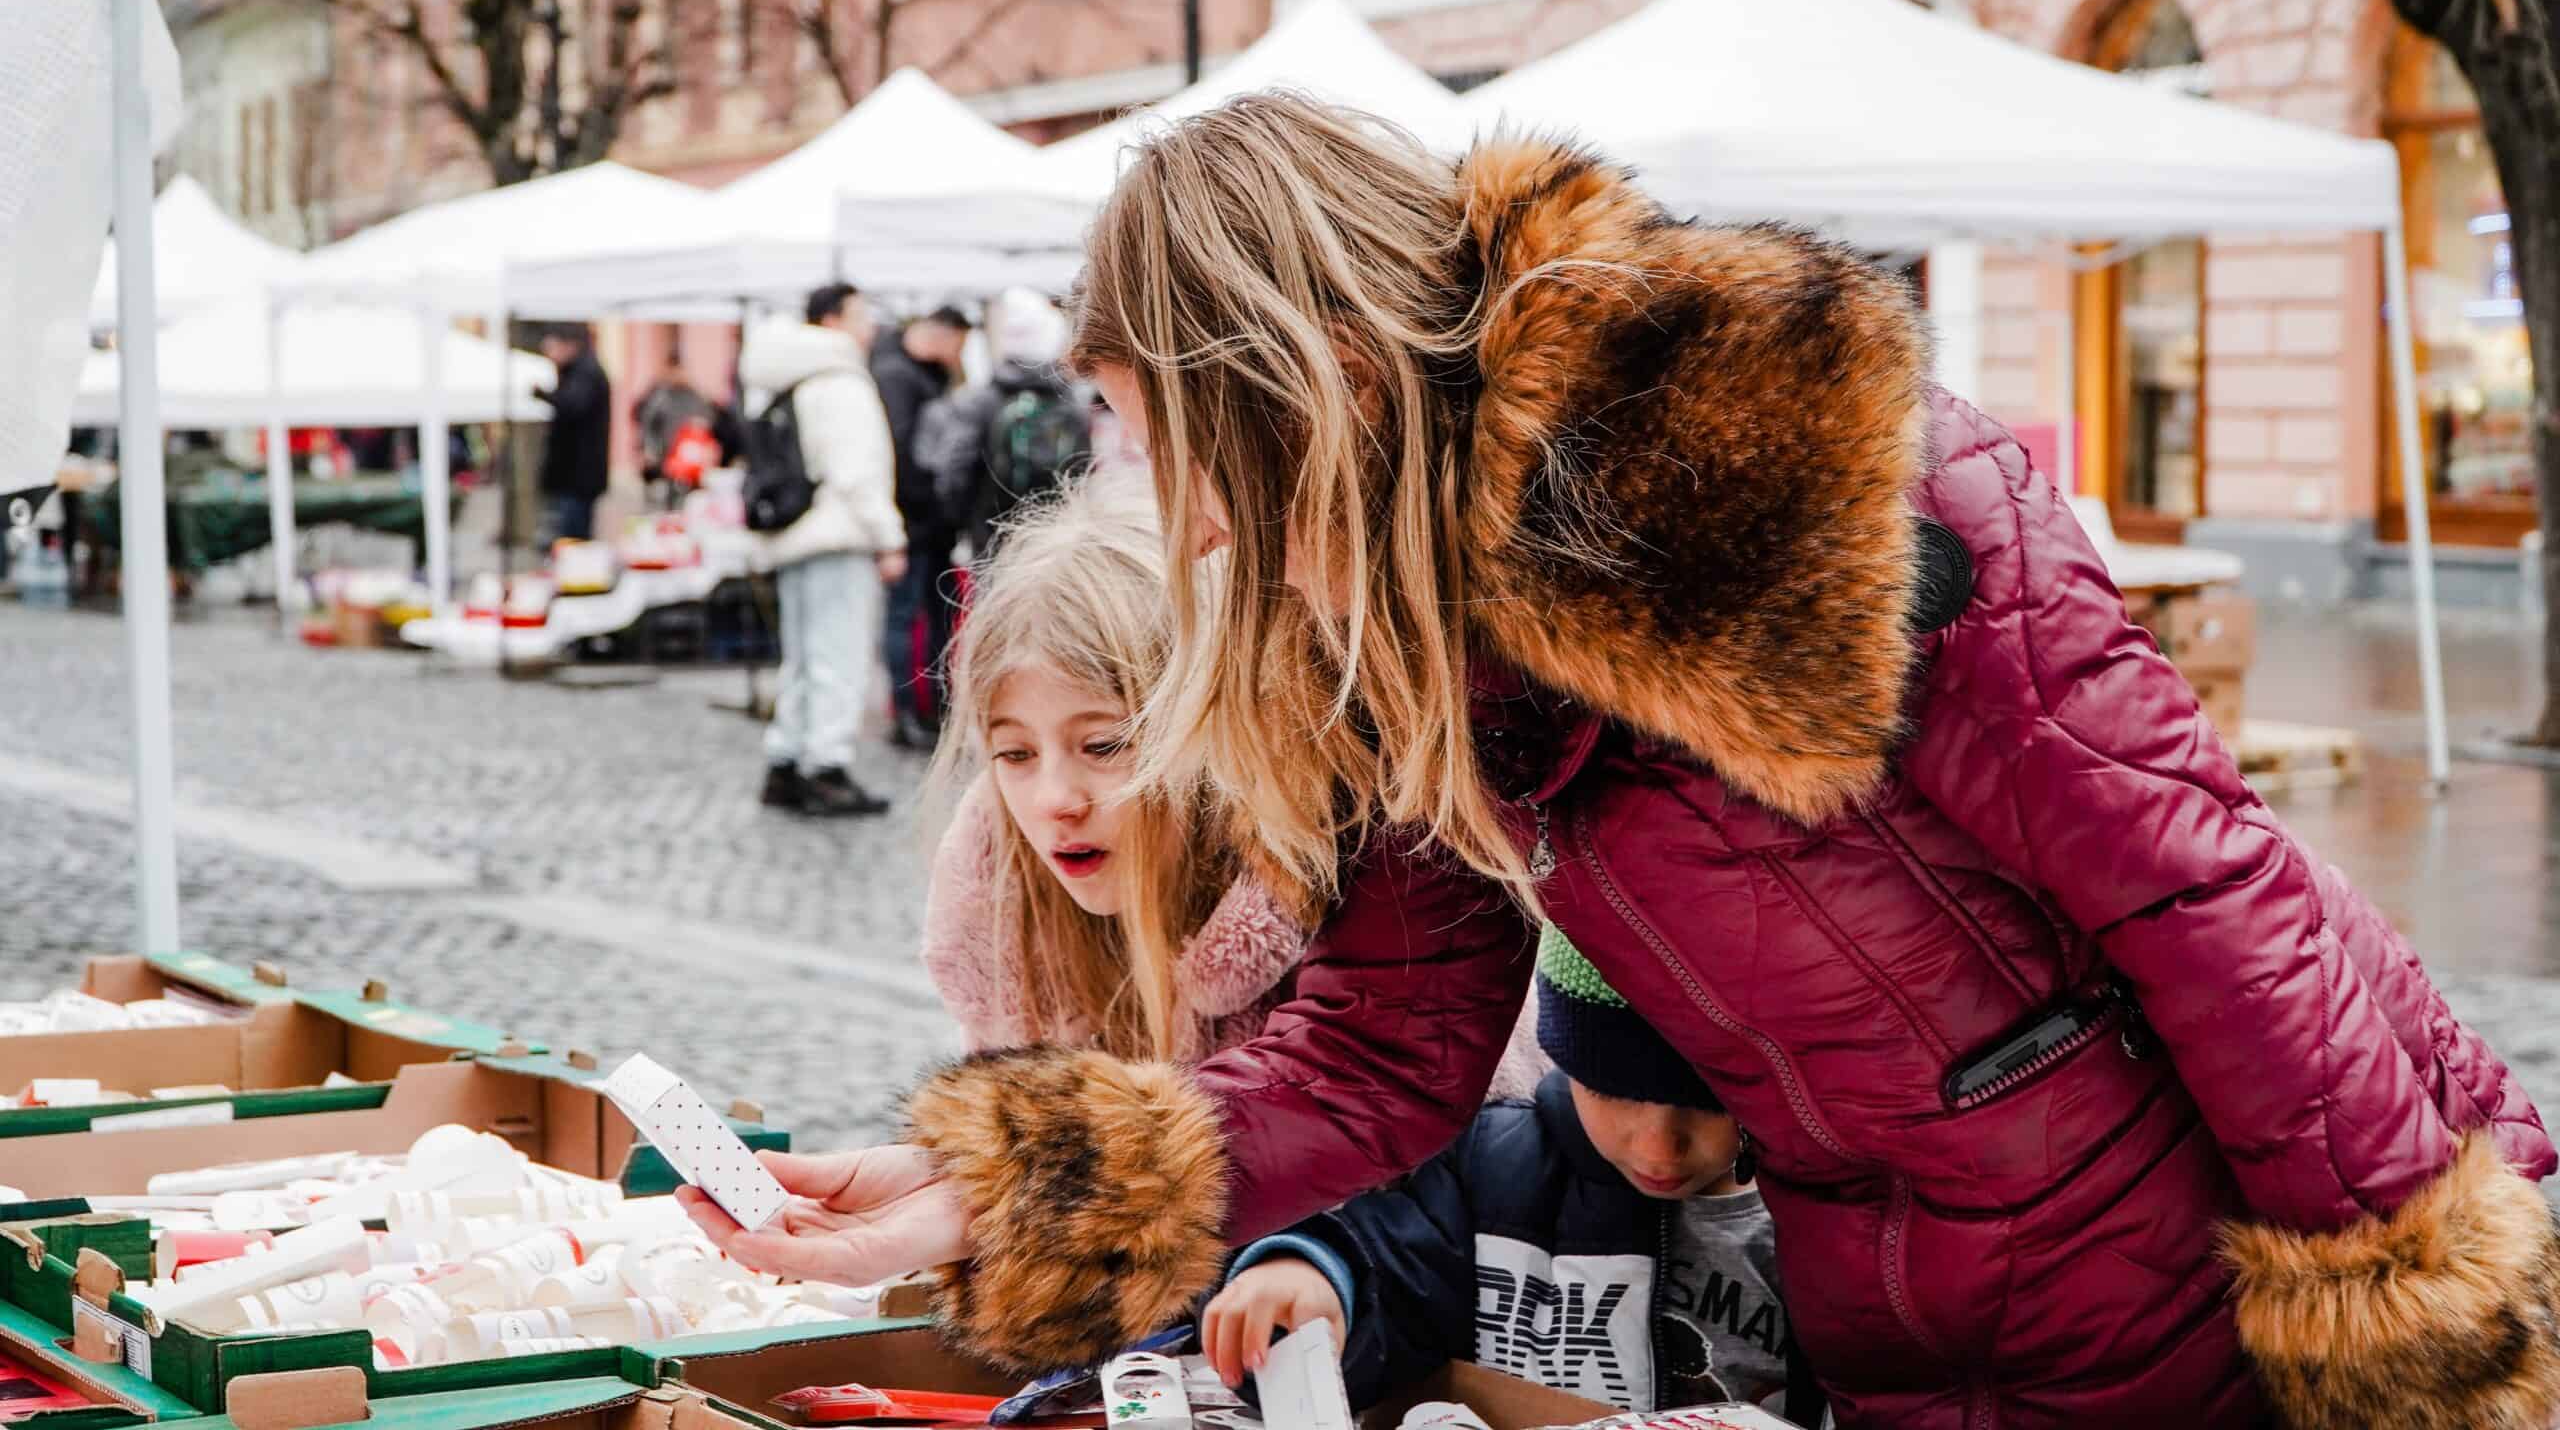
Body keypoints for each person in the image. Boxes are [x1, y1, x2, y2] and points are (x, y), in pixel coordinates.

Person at [680, 98, 2560, 1427]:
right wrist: (997, 1198)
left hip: (2217, 1291)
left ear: (1317, 383)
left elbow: (2212, 904)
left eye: (1176, 451)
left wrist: (2420, 1342)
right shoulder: (1408, 647)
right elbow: (1386, 1042)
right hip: (1920, 1330)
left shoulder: (1836, 491)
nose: (1177, 530)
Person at [919, 467, 1544, 1078]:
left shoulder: (1358, 889)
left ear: (1210, 731)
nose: (1057, 800)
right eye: (1016, 755)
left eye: (1106, 746)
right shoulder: (1007, 934)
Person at [1203, 928, 1814, 1422]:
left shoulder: (1818, 1221)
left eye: (1705, 1102)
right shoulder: (1493, 1170)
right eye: (1612, 1090)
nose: (1659, 1146)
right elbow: (1390, 1280)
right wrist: (1313, 1281)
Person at [738, 283, 907, 817]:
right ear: (831, 320)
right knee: (838, 655)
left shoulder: (789, 378)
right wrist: (889, 537)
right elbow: (857, 473)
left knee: (803, 657)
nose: (870, 325)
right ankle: (825, 768)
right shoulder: (840, 381)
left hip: (794, 536)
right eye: (861, 314)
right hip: (838, 534)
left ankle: (787, 760)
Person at [915, 288, 1088, 566]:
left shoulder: (980, 402)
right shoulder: (1069, 402)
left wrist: (967, 522)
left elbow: (953, 471)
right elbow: (1085, 469)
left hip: (991, 537)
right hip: (1059, 538)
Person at [871, 304, 972, 749]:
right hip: (911, 522)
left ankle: (931, 707)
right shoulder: (896, 374)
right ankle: (907, 711)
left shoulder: (923, 373)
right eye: (959, 344)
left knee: (935, 615)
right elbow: (903, 455)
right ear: (943, 334)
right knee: (905, 614)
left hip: (930, 523)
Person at [532, 326, 610, 542]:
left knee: (573, 538)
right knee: (571, 536)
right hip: (575, 475)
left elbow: (573, 406)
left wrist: (547, 396)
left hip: (577, 476)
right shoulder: (580, 372)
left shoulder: (584, 373)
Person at [634, 353, 713, 503]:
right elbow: (648, 423)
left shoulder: (694, 395)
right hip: (665, 457)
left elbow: (708, 419)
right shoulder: (660, 395)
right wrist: (649, 450)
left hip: (689, 458)